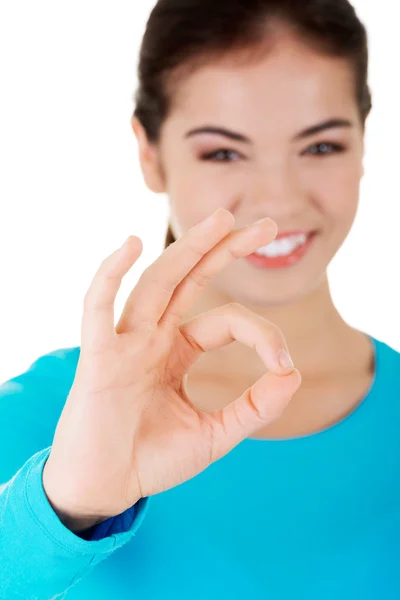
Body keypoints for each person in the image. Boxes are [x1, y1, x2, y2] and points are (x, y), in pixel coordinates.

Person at [1, 0, 399, 597]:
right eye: (223, 152)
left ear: (364, 141)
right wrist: (62, 510)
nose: (278, 200)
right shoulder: (42, 417)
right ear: (150, 153)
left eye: (320, 147)